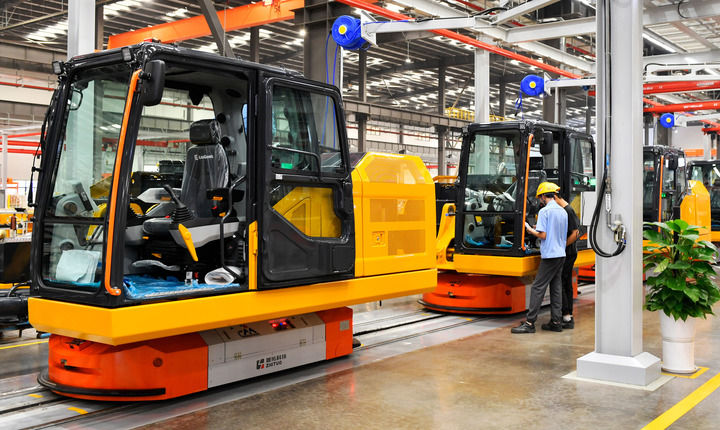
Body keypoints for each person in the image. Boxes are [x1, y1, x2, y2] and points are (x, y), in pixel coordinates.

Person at [511, 182, 567, 334]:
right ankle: (556, 322)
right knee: (556, 288)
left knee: (537, 287)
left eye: (540, 197)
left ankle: (529, 323)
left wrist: (530, 229)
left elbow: (543, 235)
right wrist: (539, 228)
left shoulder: (544, 211)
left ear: (543, 196)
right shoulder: (563, 211)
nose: (540, 200)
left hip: (550, 255)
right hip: (561, 254)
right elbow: (556, 231)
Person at [554, 194, 580, 329]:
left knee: (562, 283)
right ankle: (568, 315)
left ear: (555, 197)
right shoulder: (566, 210)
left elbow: (575, 234)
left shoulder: (568, 211)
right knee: (566, 282)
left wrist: (561, 247)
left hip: (568, 253)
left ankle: (566, 315)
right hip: (569, 252)